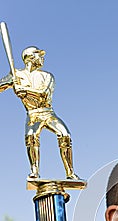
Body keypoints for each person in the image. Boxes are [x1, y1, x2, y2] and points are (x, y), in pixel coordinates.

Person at [0, 46, 79, 179]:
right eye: (39, 55)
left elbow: (44, 94)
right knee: (31, 136)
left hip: (48, 113)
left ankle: (70, 172)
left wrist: (25, 90)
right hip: (32, 114)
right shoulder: (16, 74)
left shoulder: (47, 76)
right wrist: (10, 82)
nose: (42, 58)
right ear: (30, 58)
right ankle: (34, 171)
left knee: (65, 135)